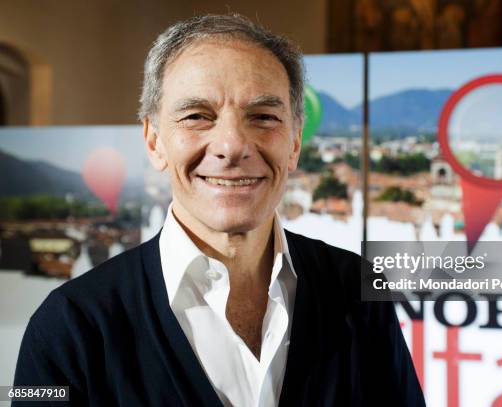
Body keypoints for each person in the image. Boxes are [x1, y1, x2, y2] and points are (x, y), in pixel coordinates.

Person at [13, 14, 425, 406]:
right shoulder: (71, 326)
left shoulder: (356, 290)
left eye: (263, 117)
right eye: (196, 116)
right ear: (154, 141)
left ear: (295, 143)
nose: (232, 145)